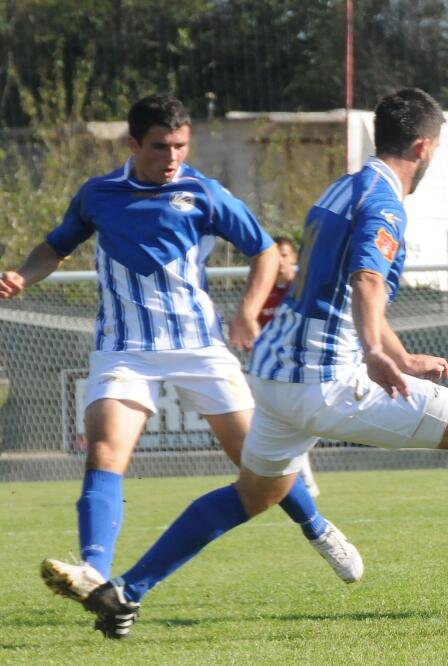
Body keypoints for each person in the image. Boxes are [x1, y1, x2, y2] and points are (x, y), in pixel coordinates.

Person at [76, 87, 448, 639]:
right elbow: (366, 281)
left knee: (255, 494)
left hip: (274, 373)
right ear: (424, 146)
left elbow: (334, 288)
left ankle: (126, 591)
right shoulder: (384, 201)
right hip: (324, 378)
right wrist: (379, 354)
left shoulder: (344, 187)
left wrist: (399, 354)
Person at [0, 94, 359, 612]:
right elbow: (55, 248)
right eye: (161, 146)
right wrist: (22, 275)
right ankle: (94, 574)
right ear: (133, 144)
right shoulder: (98, 194)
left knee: (260, 461)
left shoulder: (203, 193)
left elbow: (261, 249)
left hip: (199, 347)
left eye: (181, 146)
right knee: (104, 451)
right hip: (124, 349)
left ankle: (317, 527)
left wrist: (248, 313)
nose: (172, 157)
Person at [257, 235, 320, 498]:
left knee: (296, 426)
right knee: (280, 427)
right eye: (276, 255)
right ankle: (300, 483)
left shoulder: (301, 290)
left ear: (293, 258)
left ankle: (301, 483)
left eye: (284, 254)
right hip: (269, 371)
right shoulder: (263, 292)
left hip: (299, 369)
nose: (280, 260)